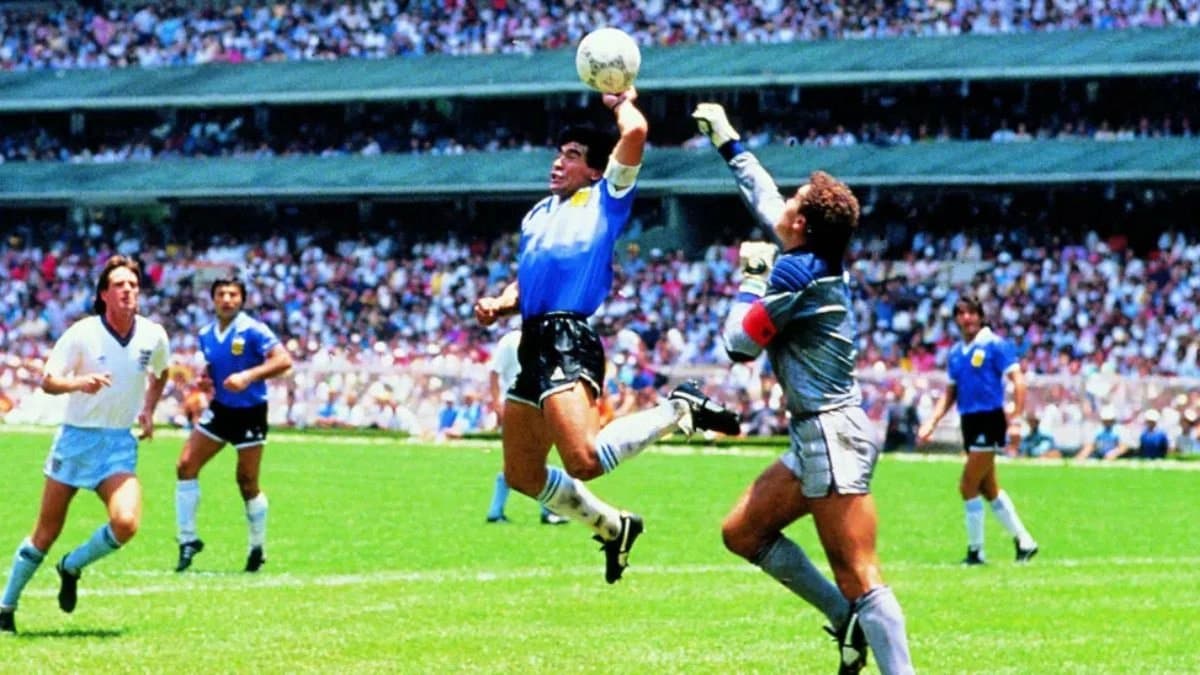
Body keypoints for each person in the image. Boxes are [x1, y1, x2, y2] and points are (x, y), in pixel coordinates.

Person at [474, 87, 740, 584]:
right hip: (533, 337)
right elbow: (529, 277)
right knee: (522, 475)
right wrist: (501, 302)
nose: (558, 162)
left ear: (595, 169)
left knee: (585, 459)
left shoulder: (605, 198)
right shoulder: (537, 214)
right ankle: (614, 526)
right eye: (559, 153)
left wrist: (621, 101)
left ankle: (676, 409)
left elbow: (636, 132)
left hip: (567, 337)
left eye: (571, 156)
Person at [692, 103, 913, 675]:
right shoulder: (807, 257)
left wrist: (748, 282)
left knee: (860, 571)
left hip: (832, 435)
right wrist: (729, 141)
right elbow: (766, 200)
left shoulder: (794, 274)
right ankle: (845, 620)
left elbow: (738, 346)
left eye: (793, 203)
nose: (782, 203)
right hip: (818, 433)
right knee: (742, 531)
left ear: (803, 227)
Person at [0, 255, 170, 634]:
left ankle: (72, 565)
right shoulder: (83, 333)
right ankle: (6, 606)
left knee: (126, 523)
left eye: (133, 285)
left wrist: (148, 409)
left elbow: (162, 371)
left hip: (118, 444)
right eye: (120, 285)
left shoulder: (153, 334)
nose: (128, 291)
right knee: (46, 531)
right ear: (104, 294)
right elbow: (48, 380)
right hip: (76, 439)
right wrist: (80, 383)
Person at [174, 277, 293, 573]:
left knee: (246, 481)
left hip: (250, 412)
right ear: (213, 299)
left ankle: (257, 547)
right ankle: (187, 540)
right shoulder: (206, 334)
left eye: (233, 294)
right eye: (221, 294)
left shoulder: (253, 329)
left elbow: (284, 360)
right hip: (221, 410)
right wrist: (205, 381)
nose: (227, 299)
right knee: (185, 465)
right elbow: (215, 369)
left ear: (241, 300)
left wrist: (248, 376)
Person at [916, 293, 1039, 566]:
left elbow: (1018, 381)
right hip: (969, 421)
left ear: (980, 316)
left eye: (971, 312)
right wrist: (932, 421)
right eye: (961, 313)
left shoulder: (995, 345)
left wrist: (1016, 419)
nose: (966, 318)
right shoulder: (956, 353)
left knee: (967, 484)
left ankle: (976, 551)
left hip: (989, 419)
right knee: (988, 487)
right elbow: (951, 392)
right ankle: (1025, 541)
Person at [484, 329, 568, 525]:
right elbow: (494, 372)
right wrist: (497, 403)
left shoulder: (543, 339)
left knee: (528, 459)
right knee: (526, 460)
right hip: (520, 404)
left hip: (533, 404)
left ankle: (497, 511)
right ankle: (545, 512)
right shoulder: (515, 340)